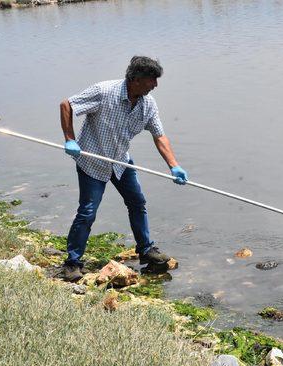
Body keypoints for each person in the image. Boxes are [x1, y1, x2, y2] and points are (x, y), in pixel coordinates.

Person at [59, 55, 187, 282]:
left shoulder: (148, 103)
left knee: (137, 202)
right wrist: (70, 139)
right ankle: (72, 262)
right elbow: (67, 105)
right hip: (93, 162)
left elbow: (159, 136)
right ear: (136, 79)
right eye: (151, 80)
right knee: (88, 211)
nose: (155, 85)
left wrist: (174, 166)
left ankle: (146, 250)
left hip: (120, 161)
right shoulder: (104, 91)